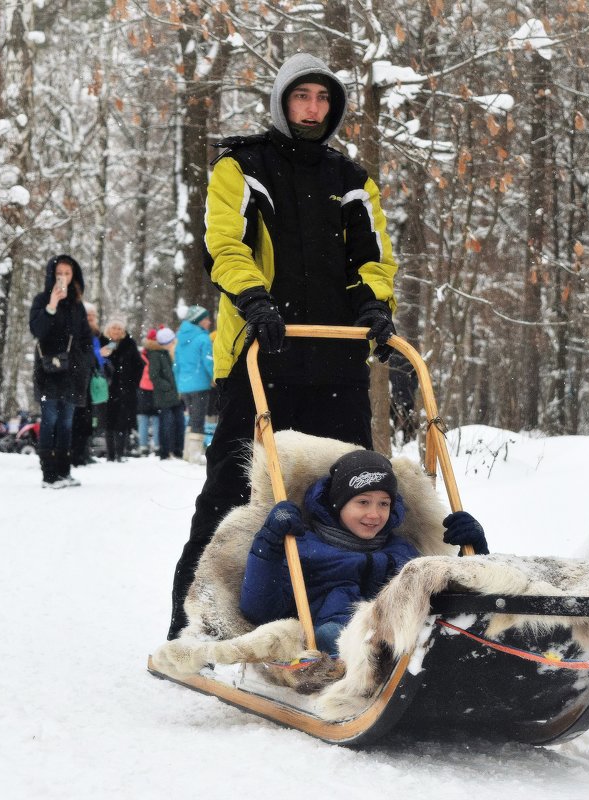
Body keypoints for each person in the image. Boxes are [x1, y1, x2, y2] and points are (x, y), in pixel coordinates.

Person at [168, 52, 402, 639]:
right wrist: (254, 299)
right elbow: (225, 244)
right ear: (282, 102)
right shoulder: (242, 166)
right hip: (261, 356)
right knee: (233, 489)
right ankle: (195, 621)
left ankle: (349, 622)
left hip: (336, 360)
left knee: (351, 494)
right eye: (302, 97)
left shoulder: (351, 180)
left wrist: (375, 305)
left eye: (323, 99)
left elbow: (375, 257)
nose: (312, 109)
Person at [238, 450, 489, 656]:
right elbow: (260, 611)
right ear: (338, 503)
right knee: (333, 635)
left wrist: (475, 554)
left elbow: (444, 604)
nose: (374, 514)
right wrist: (269, 541)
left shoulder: (402, 551)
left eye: (384, 504)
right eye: (363, 502)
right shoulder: (303, 547)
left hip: (393, 642)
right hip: (330, 646)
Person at [28, 254, 94, 488]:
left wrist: (86, 362)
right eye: (59, 274)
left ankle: (64, 472)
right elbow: (37, 330)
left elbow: (86, 337)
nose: (63, 278)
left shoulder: (77, 306)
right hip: (48, 370)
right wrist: (51, 306)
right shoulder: (41, 300)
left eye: (67, 274)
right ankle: (49, 474)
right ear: (51, 276)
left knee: (67, 422)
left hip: (73, 373)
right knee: (50, 420)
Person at [173, 305, 214, 464]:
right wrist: (216, 378)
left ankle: (187, 452)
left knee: (191, 418)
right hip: (200, 384)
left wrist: (179, 386)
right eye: (206, 319)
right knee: (198, 419)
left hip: (184, 386)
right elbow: (208, 362)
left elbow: (176, 365)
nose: (209, 322)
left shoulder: (180, 339)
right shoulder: (203, 338)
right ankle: (195, 455)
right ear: (198, 320)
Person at [100, 320, 142, 462]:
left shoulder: (130, 344)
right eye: (113, 328)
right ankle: (110, 454)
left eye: (119, 328)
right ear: (108, 330)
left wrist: (133, 382)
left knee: (122, 421)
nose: (116, 331)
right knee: (108, 421)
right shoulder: (102, 343)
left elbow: (139, 365)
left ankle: (120, 453)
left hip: (125, 389)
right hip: (106, 388)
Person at [70, 302, 105, 468]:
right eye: (87, 315)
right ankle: (76, 454)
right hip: (79, 380)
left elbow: (96, 355)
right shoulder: (78, 332)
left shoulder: (96, 334)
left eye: (93, 315)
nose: (90, 318)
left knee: (88, 420)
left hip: (91, 379)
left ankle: (84, 451)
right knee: (79, 418)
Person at [147, 326, 183, 459]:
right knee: (166, 424)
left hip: (176, 394)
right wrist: (168, 387)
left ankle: (177, 449)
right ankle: (165, 451)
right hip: (165, 395)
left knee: (179, 423)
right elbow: (154, 376)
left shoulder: (173, 353)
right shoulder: (157, 355)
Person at [135, 332, 159, 456]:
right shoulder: (160, 354)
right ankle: (157, 444)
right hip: (156, 389)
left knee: (143, 419)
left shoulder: (142, 355)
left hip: (143, 389)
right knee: (156, 419)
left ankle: (143, 445)